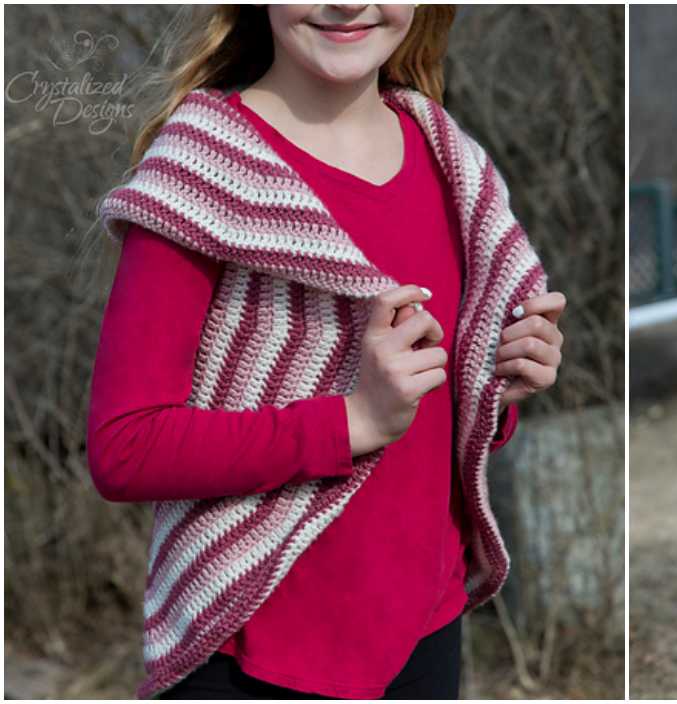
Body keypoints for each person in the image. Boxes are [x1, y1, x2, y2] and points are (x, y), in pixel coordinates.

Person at [88, 4, 565, 699]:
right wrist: (353, 421)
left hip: (424, 630)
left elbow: (432, 424)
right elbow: (124, 448)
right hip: (254, 647)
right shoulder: (200, 174)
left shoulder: (452, 164)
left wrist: (496, 385)